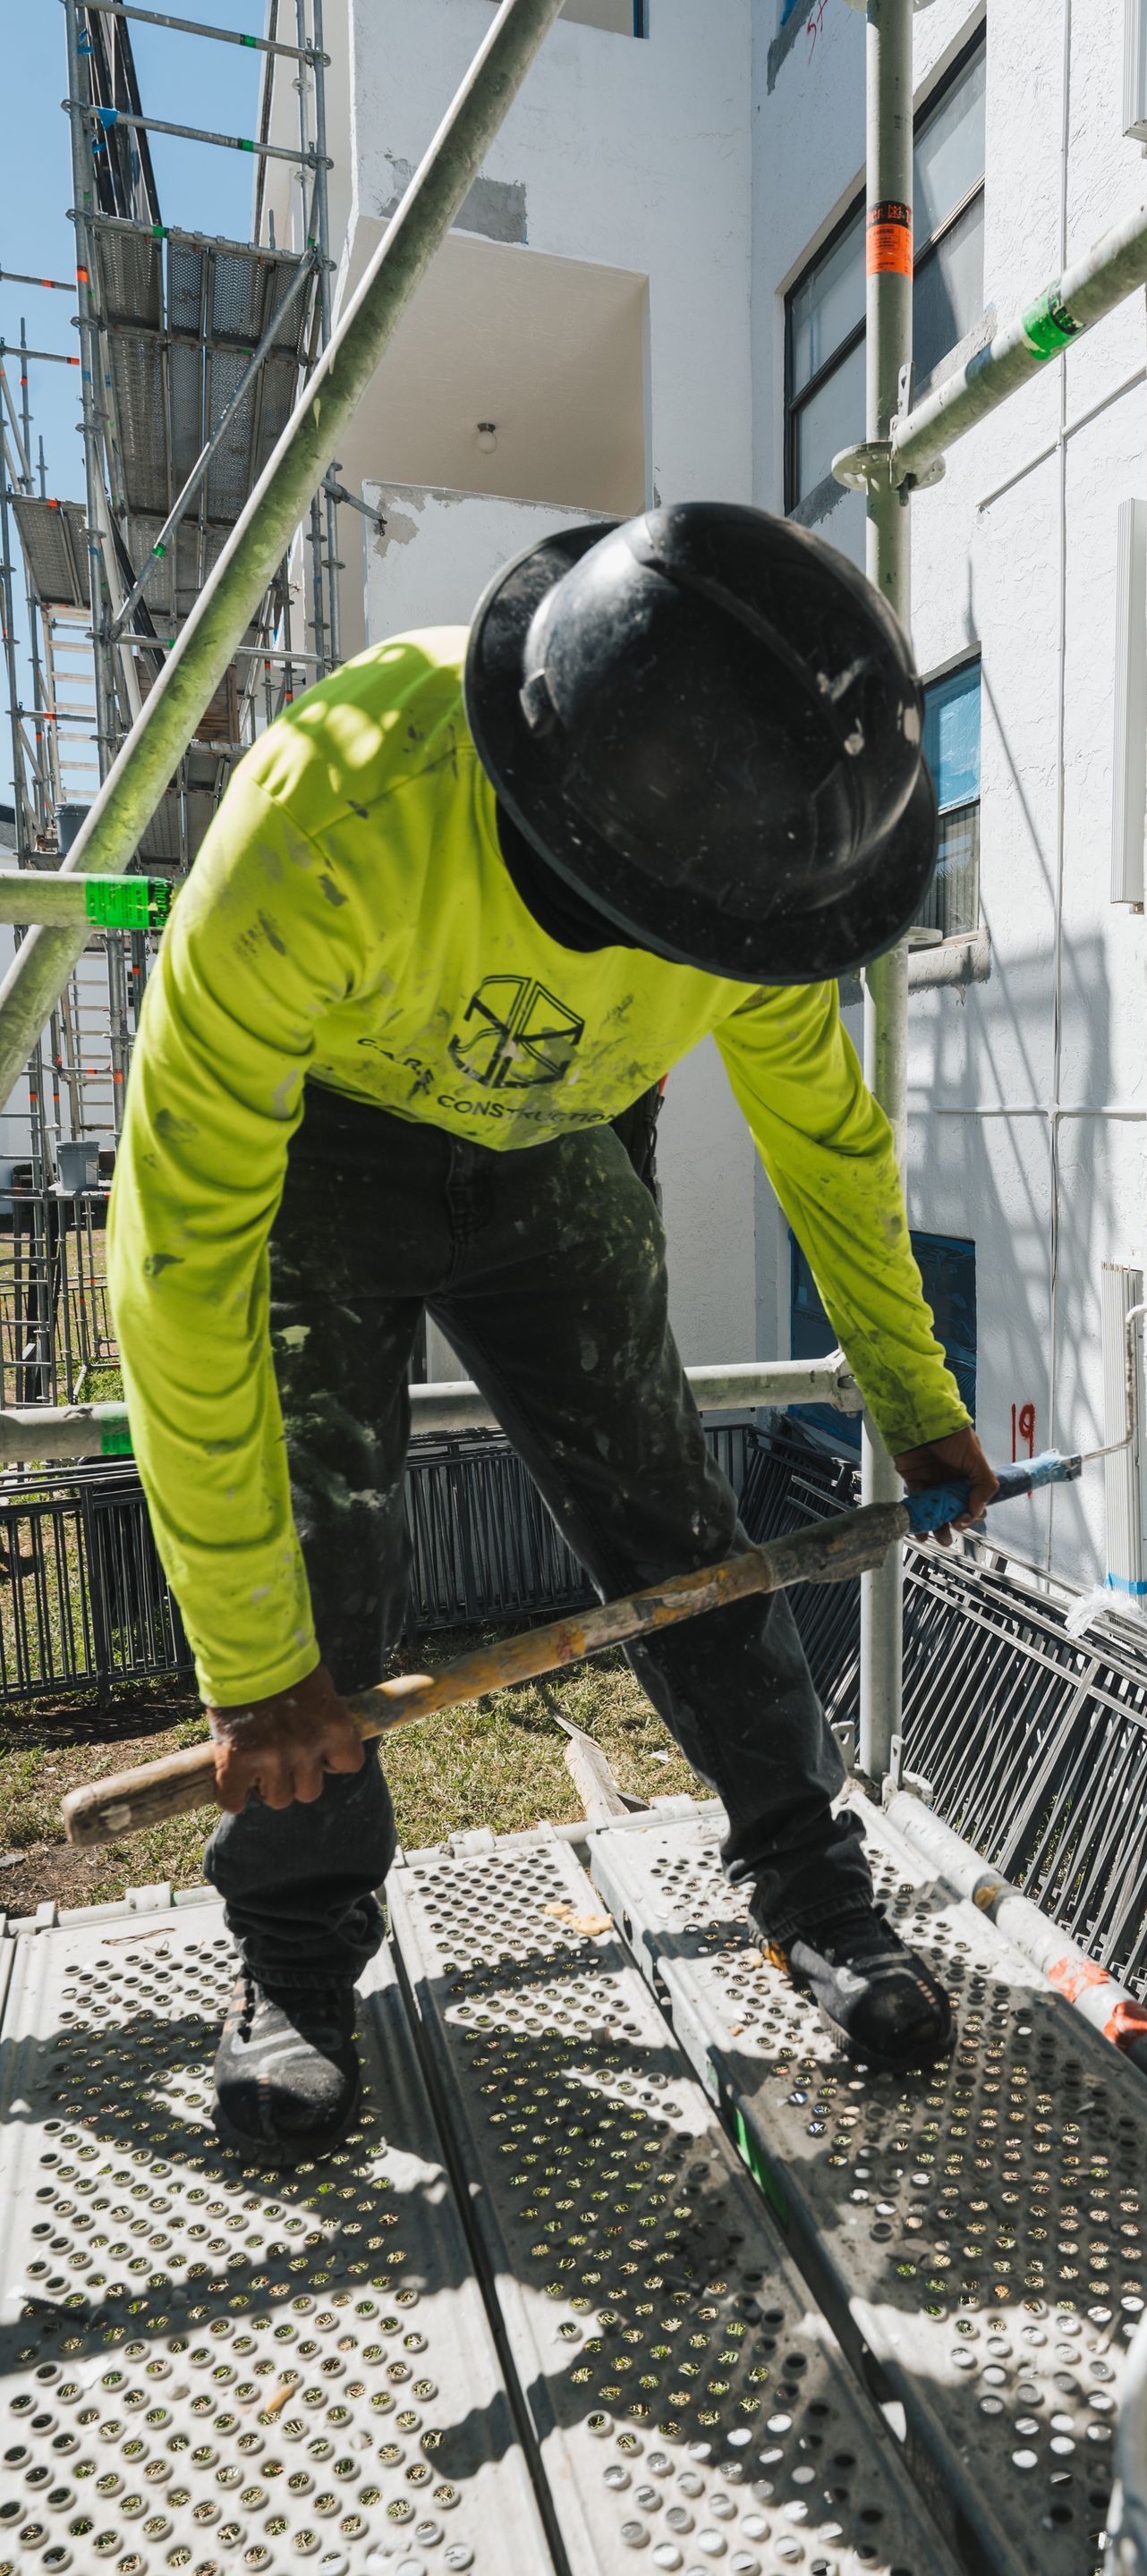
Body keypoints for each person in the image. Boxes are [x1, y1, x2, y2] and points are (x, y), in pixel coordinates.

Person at [108, 503, 998, 2167]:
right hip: (326, 1146)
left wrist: (913, 1391)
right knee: (322, 1581)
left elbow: (827, 1142)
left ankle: (818, 1901)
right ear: (589, 850)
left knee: (680, 1531)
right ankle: (297, 1971)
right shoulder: (333, 814)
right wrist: (252, 1665)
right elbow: (176, 1266)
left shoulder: (753, 861)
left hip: (553, 1148)